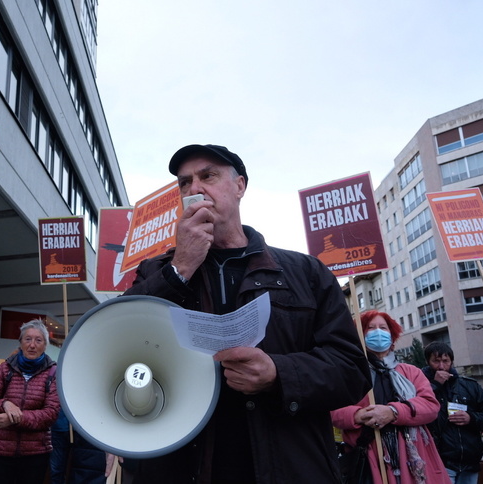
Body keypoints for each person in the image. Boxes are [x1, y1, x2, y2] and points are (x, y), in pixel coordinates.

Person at [122, 144, 372, 483]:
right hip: (183, 466)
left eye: (207, 176)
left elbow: (352, 371)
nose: (194, 189)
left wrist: (278, 373)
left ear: (239, 186)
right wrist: (180, 267)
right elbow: (121, 341)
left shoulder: (306, 272)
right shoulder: (157, 270)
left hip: (288, 465)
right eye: (184, 183)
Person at [331, 310, 451, 484]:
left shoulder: (411, 372)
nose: (378, 332)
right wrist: (358, 415)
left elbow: (430, 406)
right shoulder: (350, 374)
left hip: (414, 455)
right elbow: (333, 410)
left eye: (383, 328)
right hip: (369, 458)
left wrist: (393, 411)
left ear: (392, 335)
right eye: (370, 328)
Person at [0, 319, 60, 484]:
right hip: (0, 452)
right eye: (28, 339)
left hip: (35, 454)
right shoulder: (4, 369)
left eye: (38, 340)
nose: (32, 345)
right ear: (20, 343)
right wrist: (4, 404)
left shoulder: (53, 373)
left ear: (45, 345)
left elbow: (50, 413)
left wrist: (15, 418)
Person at [422, 342, 483, 484]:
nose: (441, 366)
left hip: (470, 461)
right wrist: (435, 385)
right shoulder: (421, 386)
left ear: (451, 362)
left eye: (445, 361)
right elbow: (418, 409)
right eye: (436, 361)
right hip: (440, 461)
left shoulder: (470, 385)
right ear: (428, 362)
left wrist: (471, 418)